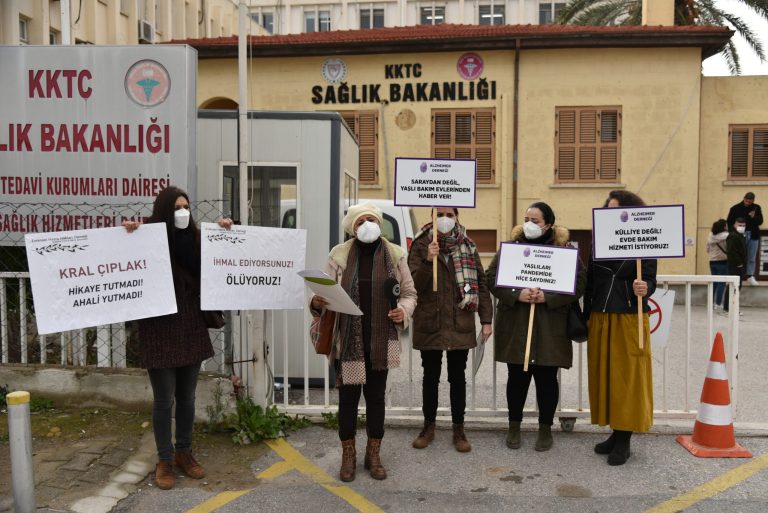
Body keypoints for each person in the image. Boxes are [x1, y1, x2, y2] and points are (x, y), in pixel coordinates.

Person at [123, 186, 233, 490]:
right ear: (163, 212)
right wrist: (129, 234)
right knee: (163, 400)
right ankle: (165, 459)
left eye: (186, 207)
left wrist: (225, 231)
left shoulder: (198, 238)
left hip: (190, 325)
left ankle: (184, 452)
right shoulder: (149, 237)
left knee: (187, 398)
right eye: (176, 208)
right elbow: (120, 253)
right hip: (158, 328)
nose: (183, 213)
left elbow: (225, 257)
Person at [309, 202, 416, 482]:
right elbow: (322, 293)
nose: (366, 225)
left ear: (380, 224)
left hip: (381, 341)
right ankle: (348, 456)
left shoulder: (395, 254)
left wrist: (402, 310)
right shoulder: (339, 255)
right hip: (347, 342)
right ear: (352, 227)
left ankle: (373, 454)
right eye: (360, 222)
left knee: (376, 400)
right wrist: (317, 300)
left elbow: (409, 293)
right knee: (347, 401)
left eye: (371, 220)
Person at [486, 202, 586, 452]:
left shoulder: (563, 250)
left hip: (550, 326)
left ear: (549, 224)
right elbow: (491, 278)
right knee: (517, 378)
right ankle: (514, 426)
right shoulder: (512, 250)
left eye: (536, 220)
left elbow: (579, 283)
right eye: (526, 218)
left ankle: (544, 428)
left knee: (547, 380)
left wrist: (548, 297)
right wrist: (515, 294)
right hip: (517, 323)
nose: (529, 224)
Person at [408, 207, 493, 453]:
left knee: (458, 378)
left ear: (457, 217)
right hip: (430, 322)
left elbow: (481, 283)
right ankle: (428, 427)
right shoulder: (421, 243)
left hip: (460, 321)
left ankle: (459, 429)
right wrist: (427, 261)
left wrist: (486, 319)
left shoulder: (468, 244)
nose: (444, 219)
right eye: (439, 214)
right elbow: (412, 286)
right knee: (430, 377)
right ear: (431, 217)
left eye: (449, 214)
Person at [584, 190, 656, 466]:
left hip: (629, 316)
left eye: (616, 210)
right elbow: (591, 281)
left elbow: (650, 278)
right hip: (601, 315)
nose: (610, 214)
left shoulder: (644, 241)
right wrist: (585, 313)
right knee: (606, 376)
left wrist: (645, 287)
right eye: (607, 209)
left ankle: (624, 438)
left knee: (627, 379)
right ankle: (615, 432)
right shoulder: (598, 242)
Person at [727, 192, 762, 285]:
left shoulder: (756, 208)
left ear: (753, 201)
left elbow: (760, 221)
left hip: (753, 234)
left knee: (751, 256)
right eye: (747, 200)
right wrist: (733, 233)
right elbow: (729, 222)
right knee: (739, 255)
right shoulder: (735, 208)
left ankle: (750, 275)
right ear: (744, 198)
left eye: (750, 201)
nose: (748, 203)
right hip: (739, 235)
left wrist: (754, 216)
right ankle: (739, 275)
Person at [723, 217, 748, 314]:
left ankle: (728, 308)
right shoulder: (733, 236)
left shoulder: (740, 235)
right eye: (740, 225)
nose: (742, 227)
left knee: (734, 287)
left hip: (738, 266)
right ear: (734, 225)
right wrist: (739, 264)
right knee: (734, 288)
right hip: (735, 267)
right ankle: (730, 309)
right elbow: (731, 251)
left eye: (743, 225)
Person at [706, 219, 729, 310]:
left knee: (714, 283)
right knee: (721, 283)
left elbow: (707, 249)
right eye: (726, 225)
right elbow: (728, 248)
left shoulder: (710, 236)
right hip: (723, 262)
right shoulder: (727, 236)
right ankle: (718, 304)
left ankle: (710, 304)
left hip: (712, 262)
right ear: (723, 226)